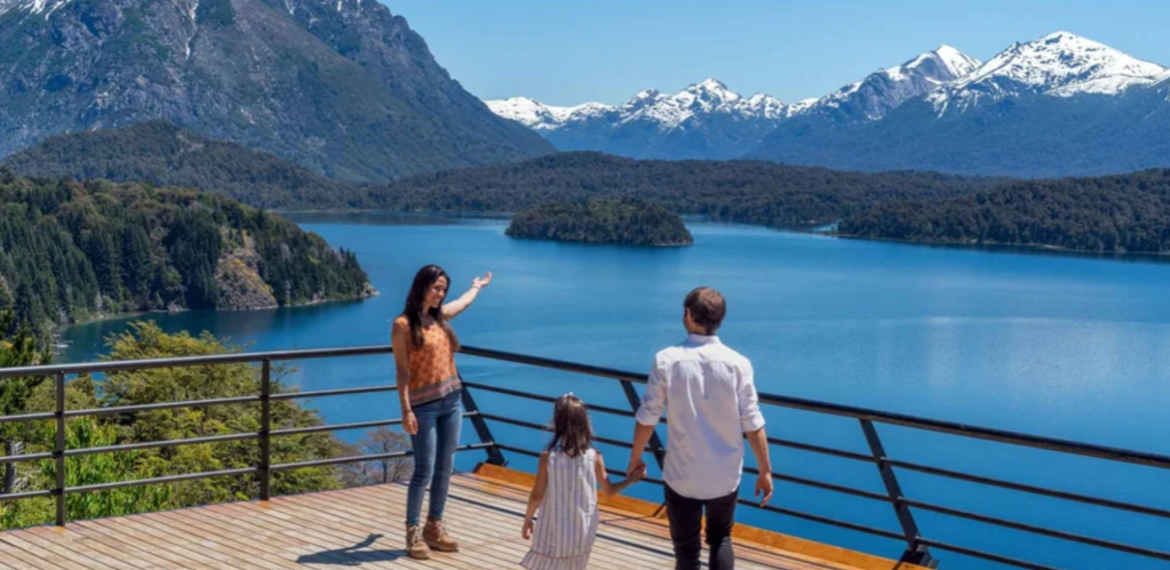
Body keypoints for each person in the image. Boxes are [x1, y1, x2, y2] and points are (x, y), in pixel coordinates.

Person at [628, 287, 773, 570]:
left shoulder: (667, 360)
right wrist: (765, 470)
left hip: (682, 472)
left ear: (688, 315)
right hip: (724, 473)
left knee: (686, 550)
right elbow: (753, 422)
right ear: (720, 319)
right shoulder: (739, 363)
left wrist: (635, 457)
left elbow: (648, 415)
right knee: (721, 539)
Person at [391, 264, 492, 560]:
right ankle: (412, 532)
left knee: (446, 467)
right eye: (436, 287)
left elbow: (465, 301)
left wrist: (478, 286)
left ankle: (434, 528)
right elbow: (401, 371)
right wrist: (405, 410)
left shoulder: (440, 317)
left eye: (443, 289)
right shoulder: (403, 326)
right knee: (424, 470)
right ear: (421, 286)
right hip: (422, 406)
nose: (440, 293)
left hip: (452, 401)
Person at [520, 393, 645, 570]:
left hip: (552, 529)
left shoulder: (548, 458)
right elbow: (609, 490)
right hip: (582, 530)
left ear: (557, 423)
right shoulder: (594, 456)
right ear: (585, 423)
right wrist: (632, 478)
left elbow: (537, 495)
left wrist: (527, 519)